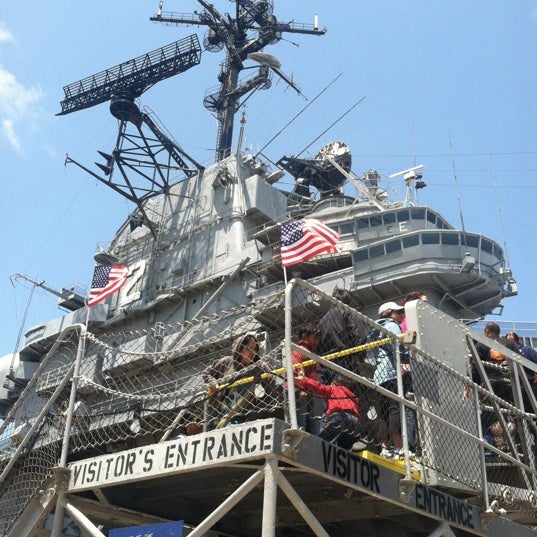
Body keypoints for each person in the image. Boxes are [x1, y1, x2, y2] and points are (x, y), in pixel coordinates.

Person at [203, 333, 272, 428]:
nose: (252, 352)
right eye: (248, 348)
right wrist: (212, 383)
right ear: (239, 348)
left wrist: (255, 415)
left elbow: (271, 390)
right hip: (217, 416)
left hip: (243, 417)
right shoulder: (226, 362)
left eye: (255, 349)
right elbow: (207, 372)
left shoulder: (260, 367)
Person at [370, 301, 412, 457]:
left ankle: (384, 448)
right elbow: (398, 347)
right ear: (388, 313)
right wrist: (409, 349)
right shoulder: (392, 325)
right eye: (397, 311)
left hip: (378, 375)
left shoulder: (375, 329)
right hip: (391, 372)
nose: (400, 314)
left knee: (383, 412)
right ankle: (399, 446)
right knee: (394, 409)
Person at [294, 367, 366, 452]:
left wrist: (303, 379)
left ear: (334, 383)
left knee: (323, 441)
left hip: (340, 417)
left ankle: (311, 451)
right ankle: (349, 449)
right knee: (343, 448)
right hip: (356, 423)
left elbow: (319, 387)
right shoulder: (353, 397)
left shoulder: (334, 389)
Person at [318, 287, 369, 380]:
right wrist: (360, 355)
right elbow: (360, 335)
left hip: (327, 361)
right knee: (351, 389)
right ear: (348, 302)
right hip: (346, 358)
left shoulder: (322, 321)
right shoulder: (348, 312)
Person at [291, 323, 324, 434]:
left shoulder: (308, 352)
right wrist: (300, 389)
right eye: (314, 338)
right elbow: (294, 369)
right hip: (300, 391)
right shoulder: (301, 350)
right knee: (301, 424)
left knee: (309, 424)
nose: (316, 342)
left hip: (307, 392)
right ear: (305, 336)